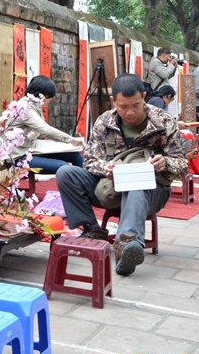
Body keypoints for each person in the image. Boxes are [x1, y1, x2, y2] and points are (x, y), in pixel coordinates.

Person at [56, 74, 189, 276]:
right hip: (109, 187)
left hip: (151, 192)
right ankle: (92, 229)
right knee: (66, 173)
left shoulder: (164, 122)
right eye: (123, 106)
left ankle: (127, 245)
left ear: (144, 96)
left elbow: (183, 166)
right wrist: (105, 168)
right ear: (113, 101)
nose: (130, 112)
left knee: (137, 182)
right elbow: (90, 160)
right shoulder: (104, 122)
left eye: (136, 105)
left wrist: (165, 163)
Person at [9, 75, 84, 173]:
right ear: (41, 95)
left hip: (32, 150)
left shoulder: (35, 105)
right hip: (20, 156)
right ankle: (73, 187)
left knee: (76, 156)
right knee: (64, 167)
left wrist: (69, 142)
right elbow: (45, 130)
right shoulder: (24, 107)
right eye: (50, 96)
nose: (51, 100)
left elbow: (44, 133)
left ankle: (84, 186)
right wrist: (70, 139)